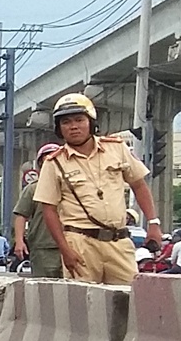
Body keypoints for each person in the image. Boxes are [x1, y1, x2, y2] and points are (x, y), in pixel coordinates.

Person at [32, 93, 163, 285]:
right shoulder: (54, 163)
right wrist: (64, 249)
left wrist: (153, 223)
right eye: (66, 122)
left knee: (129, 301)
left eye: (79, 120)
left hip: (119, 241)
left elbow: (139, 184)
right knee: (83, 304)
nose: (74, 126)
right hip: (79, 242)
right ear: (59, 128)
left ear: (91, 123)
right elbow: (48, 209)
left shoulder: (117, 148)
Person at [12, 147, 62, 278]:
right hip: (44, 248)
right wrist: (19, 241)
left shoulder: (75, 185)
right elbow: (21, 215)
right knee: (45, 289)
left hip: (75, 243)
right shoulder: (33, 188)